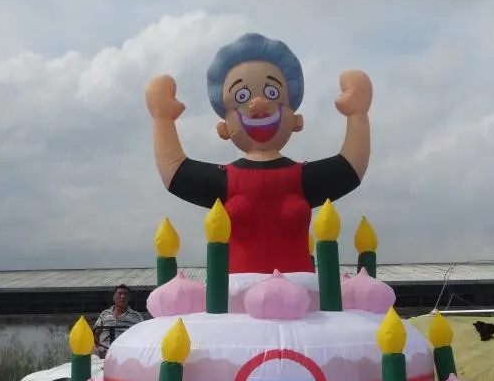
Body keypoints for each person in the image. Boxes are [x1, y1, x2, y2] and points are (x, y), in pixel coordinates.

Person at [144, 32, 373, 274]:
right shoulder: (227, 180)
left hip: (301, 300)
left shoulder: (300, 179)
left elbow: (349, 168)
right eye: (242, 97)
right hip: (235, 298)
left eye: (272, 93)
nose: (259, 104)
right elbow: (176, 173)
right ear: (224, 126)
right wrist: (162, 119)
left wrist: (358, 114)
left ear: (296, 119)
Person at [92, 285, 144, 358]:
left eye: (125, 294)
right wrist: (98, 349)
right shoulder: (105, 314)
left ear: (129, 298)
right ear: (114, 297)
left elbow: (142, 337)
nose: (122, 296)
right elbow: (95, 334)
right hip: (104, 353)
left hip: (127, 354)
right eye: (120, 293)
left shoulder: (136, 316)